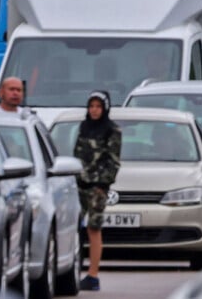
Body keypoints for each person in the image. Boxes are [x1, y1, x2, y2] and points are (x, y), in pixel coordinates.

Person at [74, 91, 122, 292]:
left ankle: (93, 275)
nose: (94, 110)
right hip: (78, 184)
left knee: (94, 229)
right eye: (91, 106)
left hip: (97, 187)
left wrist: (103, 185)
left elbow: (113, 161)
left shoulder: (112, 131)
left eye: (98, 106)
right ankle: (74, 269)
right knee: (75, 228)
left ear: (105, 108)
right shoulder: (84, 127)